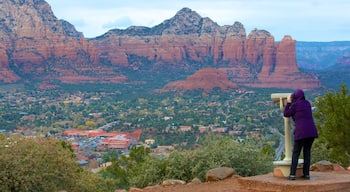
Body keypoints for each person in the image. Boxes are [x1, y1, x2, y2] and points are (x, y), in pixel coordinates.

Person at [283, 89, 318, 180]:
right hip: (311, 131)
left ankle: (292, 174)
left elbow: (286, 114)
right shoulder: (307, 103)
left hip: (301, 132)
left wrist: (288, 103)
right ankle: (306, 174)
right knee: (307, 152)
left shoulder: (295, 105)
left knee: (296, 153)